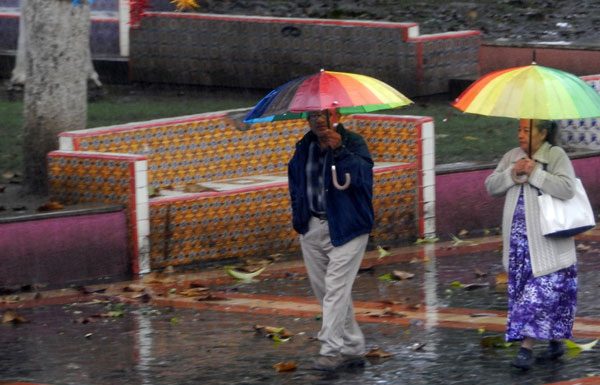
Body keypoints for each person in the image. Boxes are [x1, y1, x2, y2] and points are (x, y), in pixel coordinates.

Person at [485, 119, 578, 370]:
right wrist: (513, 173)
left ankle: (526, 348)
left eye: (527, 130)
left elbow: (567, 189)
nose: (521, 135)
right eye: (519, 129)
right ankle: (556, 341)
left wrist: (536, 173)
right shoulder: (512, 156)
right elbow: (491, 186)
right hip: (518, 245)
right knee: (535, 295)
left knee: (536, 296)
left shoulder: (555, 155)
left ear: (543, 132)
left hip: (549, 244)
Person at [288, 109, 374, 371]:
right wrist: (300, 218)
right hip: (312, 226)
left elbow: (363, 178)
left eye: (324, 114)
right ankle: (352, 346)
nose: (318, 120)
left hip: (347, 226)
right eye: (312, 115)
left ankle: (330, 350)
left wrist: (341, 153)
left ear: (336, 115)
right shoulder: (304, 146)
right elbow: (296, 181)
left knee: (335, 288)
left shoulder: (353, 142)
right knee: (326, 292)